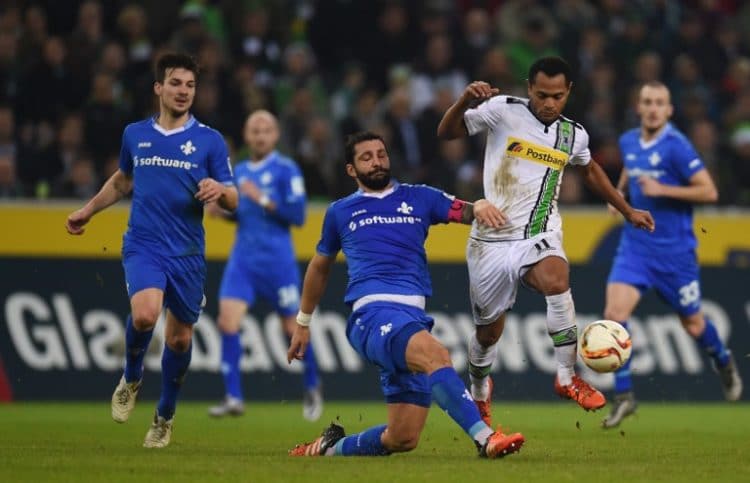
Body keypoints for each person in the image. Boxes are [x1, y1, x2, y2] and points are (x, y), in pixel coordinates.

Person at [436, 56, 655, 426]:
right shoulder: (501, 110)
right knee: (488, 334)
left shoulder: (574, 134)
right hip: (491, 240)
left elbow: (590, 170)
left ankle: (567, 377)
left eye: (557, 96)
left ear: (568, 91)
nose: (549, 103)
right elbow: (447, 133)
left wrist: (627, 209)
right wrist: (463, 102)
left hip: (540, 232)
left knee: (557, 279)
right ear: (529, 89)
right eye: (541, 95)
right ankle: (479, 389)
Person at [286, 131, 524, 459]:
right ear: (351, 170)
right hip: (371, 315)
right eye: (366, 157)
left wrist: (479, 204)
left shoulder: (419, 197)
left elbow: (463, 211)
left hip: (411, 318)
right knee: (436, 355)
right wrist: (303, 322)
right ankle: (486, 438)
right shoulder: (340, 212)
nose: (377, 161)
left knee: (402, 437)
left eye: (381, 154)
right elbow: (320, 267)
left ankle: (326, 450)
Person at [65, 53, 238, 448]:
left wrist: (221, 192)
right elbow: (124, 180)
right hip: (144, 244)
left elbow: (234, 199)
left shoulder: (209, 141)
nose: (183, 91)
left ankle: (165, 415)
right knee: (144, 315)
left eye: (190, 85)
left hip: (188, 253)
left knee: (178, 341)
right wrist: (88, 210)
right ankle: (131, 376)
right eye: (176, 83)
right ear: (159, 88)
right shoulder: (135, 134)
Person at [601, 81, 743, 428]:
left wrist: (662, 188)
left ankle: (722, 359)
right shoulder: (629, 141)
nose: (652, 108)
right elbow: (630, 170)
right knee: (614, 313)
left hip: (675, 255)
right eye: (647, 102)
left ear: (669, 110)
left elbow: (709, 191)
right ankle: (624, 397)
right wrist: (618, 195)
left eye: (659, 103)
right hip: (636, 248)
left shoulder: (677, 146)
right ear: (639, 107)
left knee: (693, 324)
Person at [207, 110, 323, 421]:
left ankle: (312, 385)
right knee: (226, 322)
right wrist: (222, 211)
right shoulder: (238, 171)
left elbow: (297, 216)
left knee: (292, 328)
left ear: (275, 136)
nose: (260, 135)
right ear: (247, 136)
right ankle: (233, 397)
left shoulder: (287, 170)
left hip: (277, 263)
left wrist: (262, 199)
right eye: (254, 130)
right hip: (242, 260)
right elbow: (241, 214)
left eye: (266, 130)